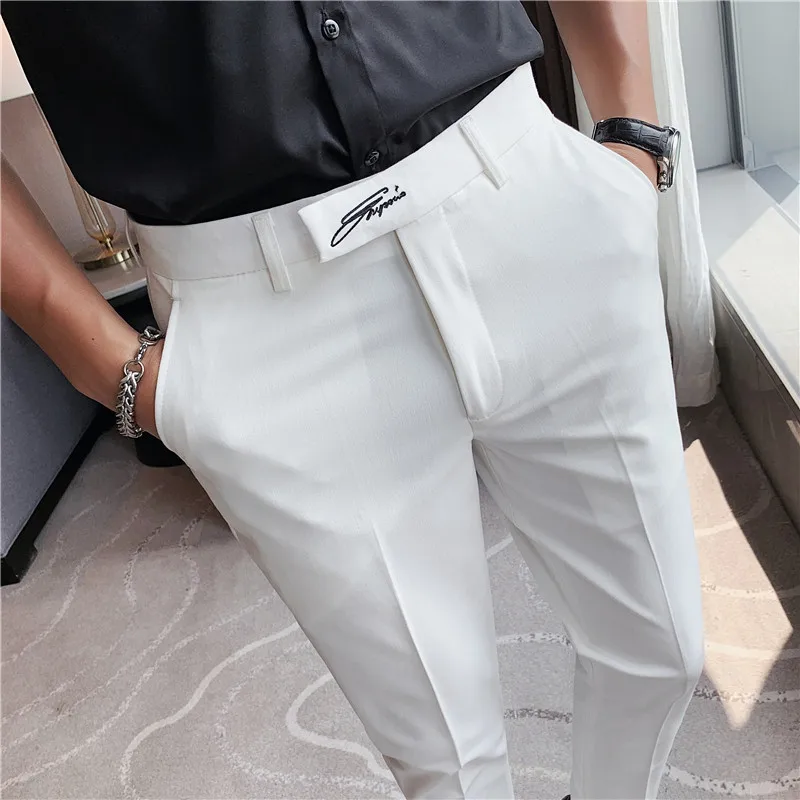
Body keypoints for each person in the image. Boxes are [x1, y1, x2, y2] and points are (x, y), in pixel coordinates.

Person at [1, 3, 703, 798]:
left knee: (664, 651)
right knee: (451, 767)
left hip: (528, 189)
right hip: (256, 299)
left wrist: (632, 130)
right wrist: (106, 363)